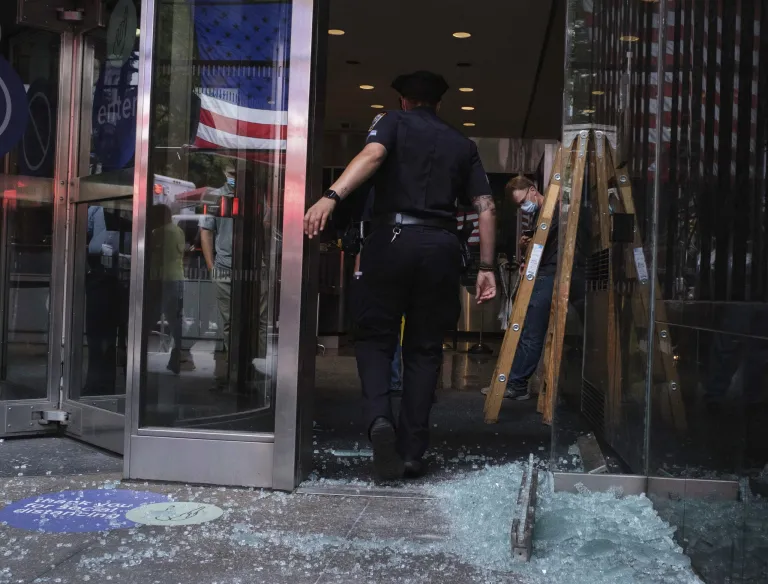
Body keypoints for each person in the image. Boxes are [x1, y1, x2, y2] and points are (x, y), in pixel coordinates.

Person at [304, 70, 497, 480]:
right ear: (439, 104)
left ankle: (379, 419)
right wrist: (486, 267)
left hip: (390, 240)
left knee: (376, 338)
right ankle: (411, 451)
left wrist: (331, 196)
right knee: (425, 349)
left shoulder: (390, 121)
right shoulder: (463, 144)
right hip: (442, 246)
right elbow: (486, 208)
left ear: (404, 101)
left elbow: (373, 157)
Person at [482, 176, 556, 401]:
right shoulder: (538, 214)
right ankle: (514, 382)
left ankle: (516, 384)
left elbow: (549, 244)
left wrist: (530, 244)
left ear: (533, 190)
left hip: (549, 272)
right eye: (519, 205)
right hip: (542, 271)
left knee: (531, 332)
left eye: (524, 201)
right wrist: (527, 245)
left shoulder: (553, 210)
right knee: (525, 330)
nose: (524, 207)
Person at [200, 167, 235, 390]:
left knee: (259, 322)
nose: (234, 176)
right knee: (229, 321)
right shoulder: (214, 197)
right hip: (224, 266)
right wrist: (212, 266)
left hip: (253, 266)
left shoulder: (256, 193)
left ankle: (254, 369)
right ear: (224, 171)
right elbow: (206, 230)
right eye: (231, 170)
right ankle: (234, 370)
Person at [149, 204, 186, 374]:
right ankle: (178, 357)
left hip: (161, 280)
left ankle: (136, 357)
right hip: (177, 278)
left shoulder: (159, 233)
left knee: (148, 319)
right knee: (175, 321)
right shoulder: (178, 231)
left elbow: (153, 257)